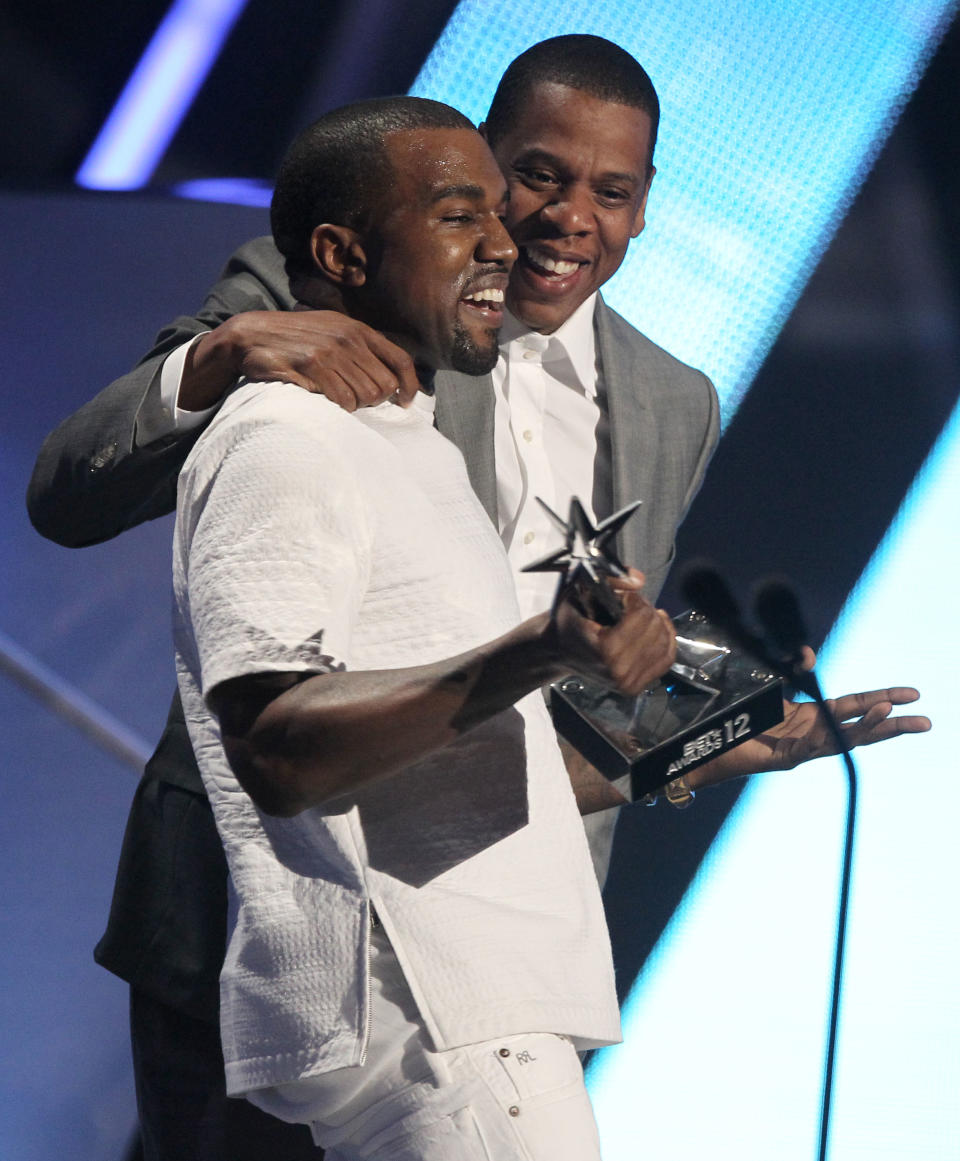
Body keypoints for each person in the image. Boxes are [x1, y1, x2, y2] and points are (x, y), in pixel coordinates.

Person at [27, 35, 929, 1161]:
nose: (566, 221)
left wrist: (713, 741)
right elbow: (70, 492)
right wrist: (219, 358)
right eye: (539, 177)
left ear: (646, 213)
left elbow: (575, 705)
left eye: (613, 192)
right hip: (265, 932)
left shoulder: (670, 403)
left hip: (500, 963)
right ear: (483, 173)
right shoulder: (323, 280)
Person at [175, 93, 679, 1161]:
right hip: (438, 1029)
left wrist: (702, 749)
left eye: (499, 213)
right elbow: (275, 743)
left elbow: (457, 752)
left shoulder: (402, 441)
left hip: (480, 1022)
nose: (511, 242)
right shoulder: (284, 437)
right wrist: (541, 647)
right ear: (340, 254)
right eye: (465, 217)